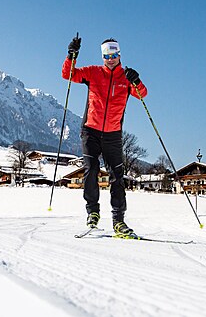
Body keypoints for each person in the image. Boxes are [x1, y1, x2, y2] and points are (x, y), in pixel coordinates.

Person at [61, 36, 147, 236]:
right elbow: (68, 74)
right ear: (102, 57)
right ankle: (93, 213)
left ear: (119, 55)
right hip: (90, 130)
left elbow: (142, 94)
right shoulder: (93, 72)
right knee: (90, 170)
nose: (110, 59)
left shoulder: (126, 77)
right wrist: (71, 55)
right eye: (107, 56)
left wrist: (137, 80)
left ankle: (119, 221)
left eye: (114, 55)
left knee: (117, 177)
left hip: (113, 135)